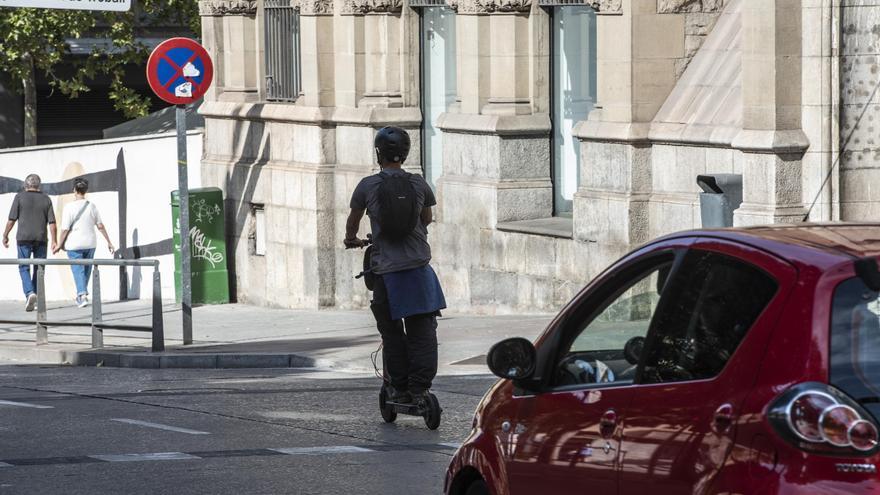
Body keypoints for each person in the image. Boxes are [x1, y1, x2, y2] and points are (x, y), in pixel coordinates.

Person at [345, 126, 446, 405]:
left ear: (379, 154)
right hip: (419, 271)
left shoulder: (368, 185)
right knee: (423, 332)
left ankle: (398, 387)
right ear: (405, 153)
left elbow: (353, 222)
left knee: (391, 332)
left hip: (387, 273)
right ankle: (420, 388)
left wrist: (352, 239)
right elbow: (426, 218)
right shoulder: (419, 183)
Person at [53, 178, 115, 308]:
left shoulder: (69, 207)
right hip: (90, 243)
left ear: (74, 190)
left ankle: (82, 295)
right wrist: (109, 242)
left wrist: (59, 244)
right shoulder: (91, 206)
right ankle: (81, 294)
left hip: (74, 244)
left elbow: (65, 229)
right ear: (86, 190)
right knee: (86, 270)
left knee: (78, 270)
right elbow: (100, 226)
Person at [2, 174, 57, 312]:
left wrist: (5, 234)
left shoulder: (19, 197)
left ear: (26, 185)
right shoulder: (46, 199)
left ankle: (29, 293)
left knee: (23, 267)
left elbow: (11, 219)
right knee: (40, 268)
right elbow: (52, 223)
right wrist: (54, 240)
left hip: (23, 238)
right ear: (39, 185)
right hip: (41, 238)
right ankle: (34, 295)